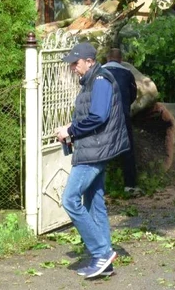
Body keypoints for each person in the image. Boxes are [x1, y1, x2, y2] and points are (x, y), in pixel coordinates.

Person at [55, 42, 130, 279]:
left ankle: (100, 253)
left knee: (70, 200)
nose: (73, 68)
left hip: (94, 151)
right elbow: (93, 115)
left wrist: (71, 131)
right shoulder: (92, 81)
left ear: (89, 61)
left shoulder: (100, 81)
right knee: (95, 201)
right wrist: (71, 127)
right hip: (94, 149)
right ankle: (104, 257)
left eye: (75, 63)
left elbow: (98, 116)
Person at [103, 48, 140, 195]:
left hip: (104, 117)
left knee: (102, 150)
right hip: (123, 115)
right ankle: (130, 185)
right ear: (120, 59)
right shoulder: (127, 73)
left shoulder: (99, 73)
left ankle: (102, 186)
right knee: (128, 149)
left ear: (107, 58)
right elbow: (133, 95)